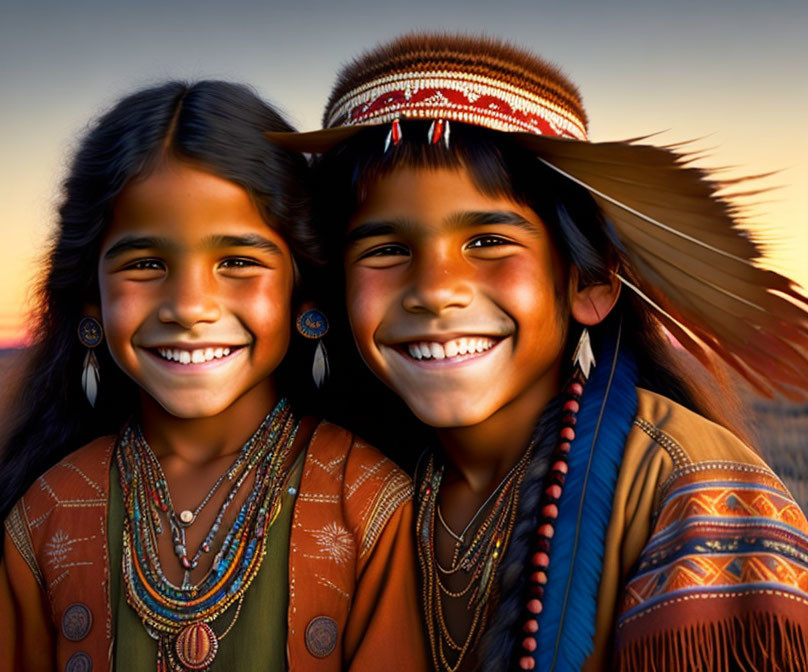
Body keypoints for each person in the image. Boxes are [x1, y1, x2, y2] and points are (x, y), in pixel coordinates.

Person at [271, 34, 808, 671]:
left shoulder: (692, 496)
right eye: (386, 249)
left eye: (489, 241)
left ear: (589, 282)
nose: (436, 292)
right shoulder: (355, 478)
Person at [0, 80, 425, 672]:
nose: (190, 305)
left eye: (237, 262)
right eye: (146, 263)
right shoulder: (51, 508)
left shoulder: (366, 501)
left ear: (301, 290)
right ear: (90, 305)